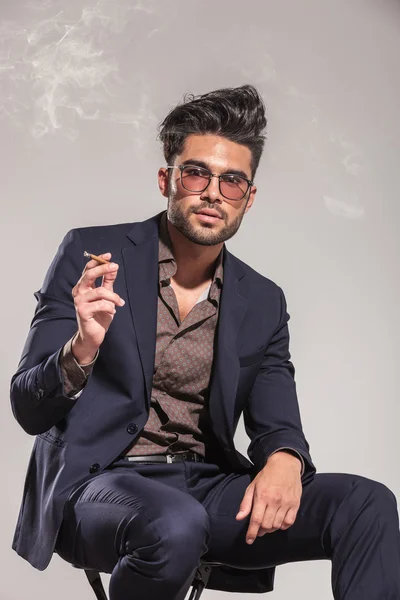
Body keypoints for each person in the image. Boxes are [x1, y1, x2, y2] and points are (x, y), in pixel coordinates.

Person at [10, 84, 400, 600]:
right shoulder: (92, 254)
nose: (214, 192)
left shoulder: (262, 299)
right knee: (175, 523)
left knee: (366, 503)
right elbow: (27, 409)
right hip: (100, 485)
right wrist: (81, 348)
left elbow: (277, 418)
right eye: (196, 173)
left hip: (207, 489)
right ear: (166, 180)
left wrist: (285, 458)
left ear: (250, 197)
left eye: (233, 180)